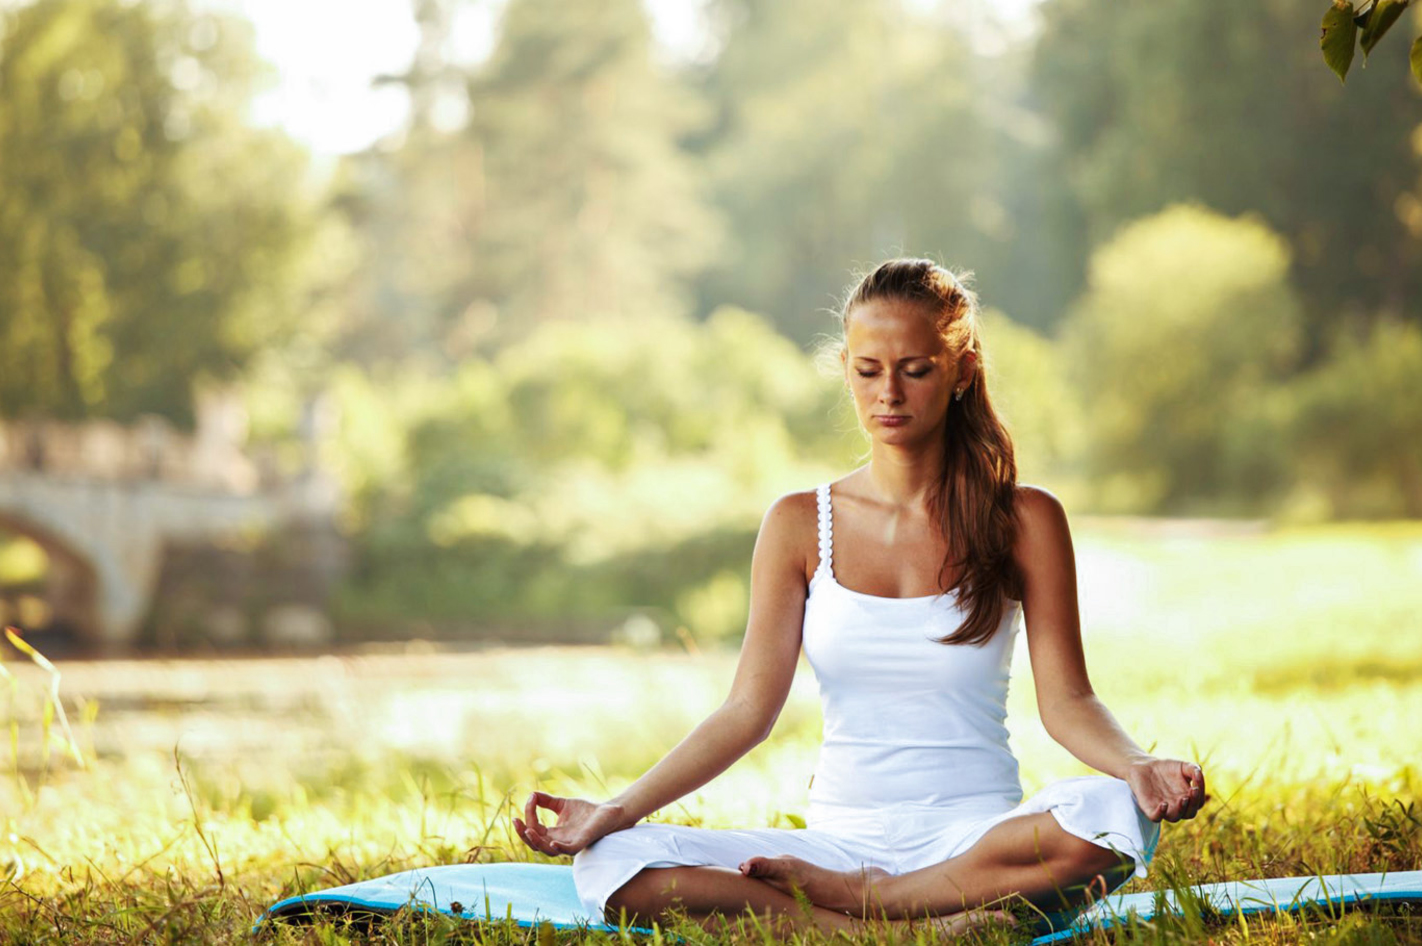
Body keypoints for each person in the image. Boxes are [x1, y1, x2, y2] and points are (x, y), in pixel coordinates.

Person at [514, 258, 1208, 935]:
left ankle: (867, 904)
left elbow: (1068, 703)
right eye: (868, 371)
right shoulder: (797, 523)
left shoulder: (1025, 519)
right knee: (614, 863)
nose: (889, 395)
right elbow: (746, 711)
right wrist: (617, 809)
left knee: (1112, 812)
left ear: (961, 370)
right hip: (837, 846)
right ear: (846, 370)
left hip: (978, 848)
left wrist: (1137, 767)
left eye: (916, 369)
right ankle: (900, 931)